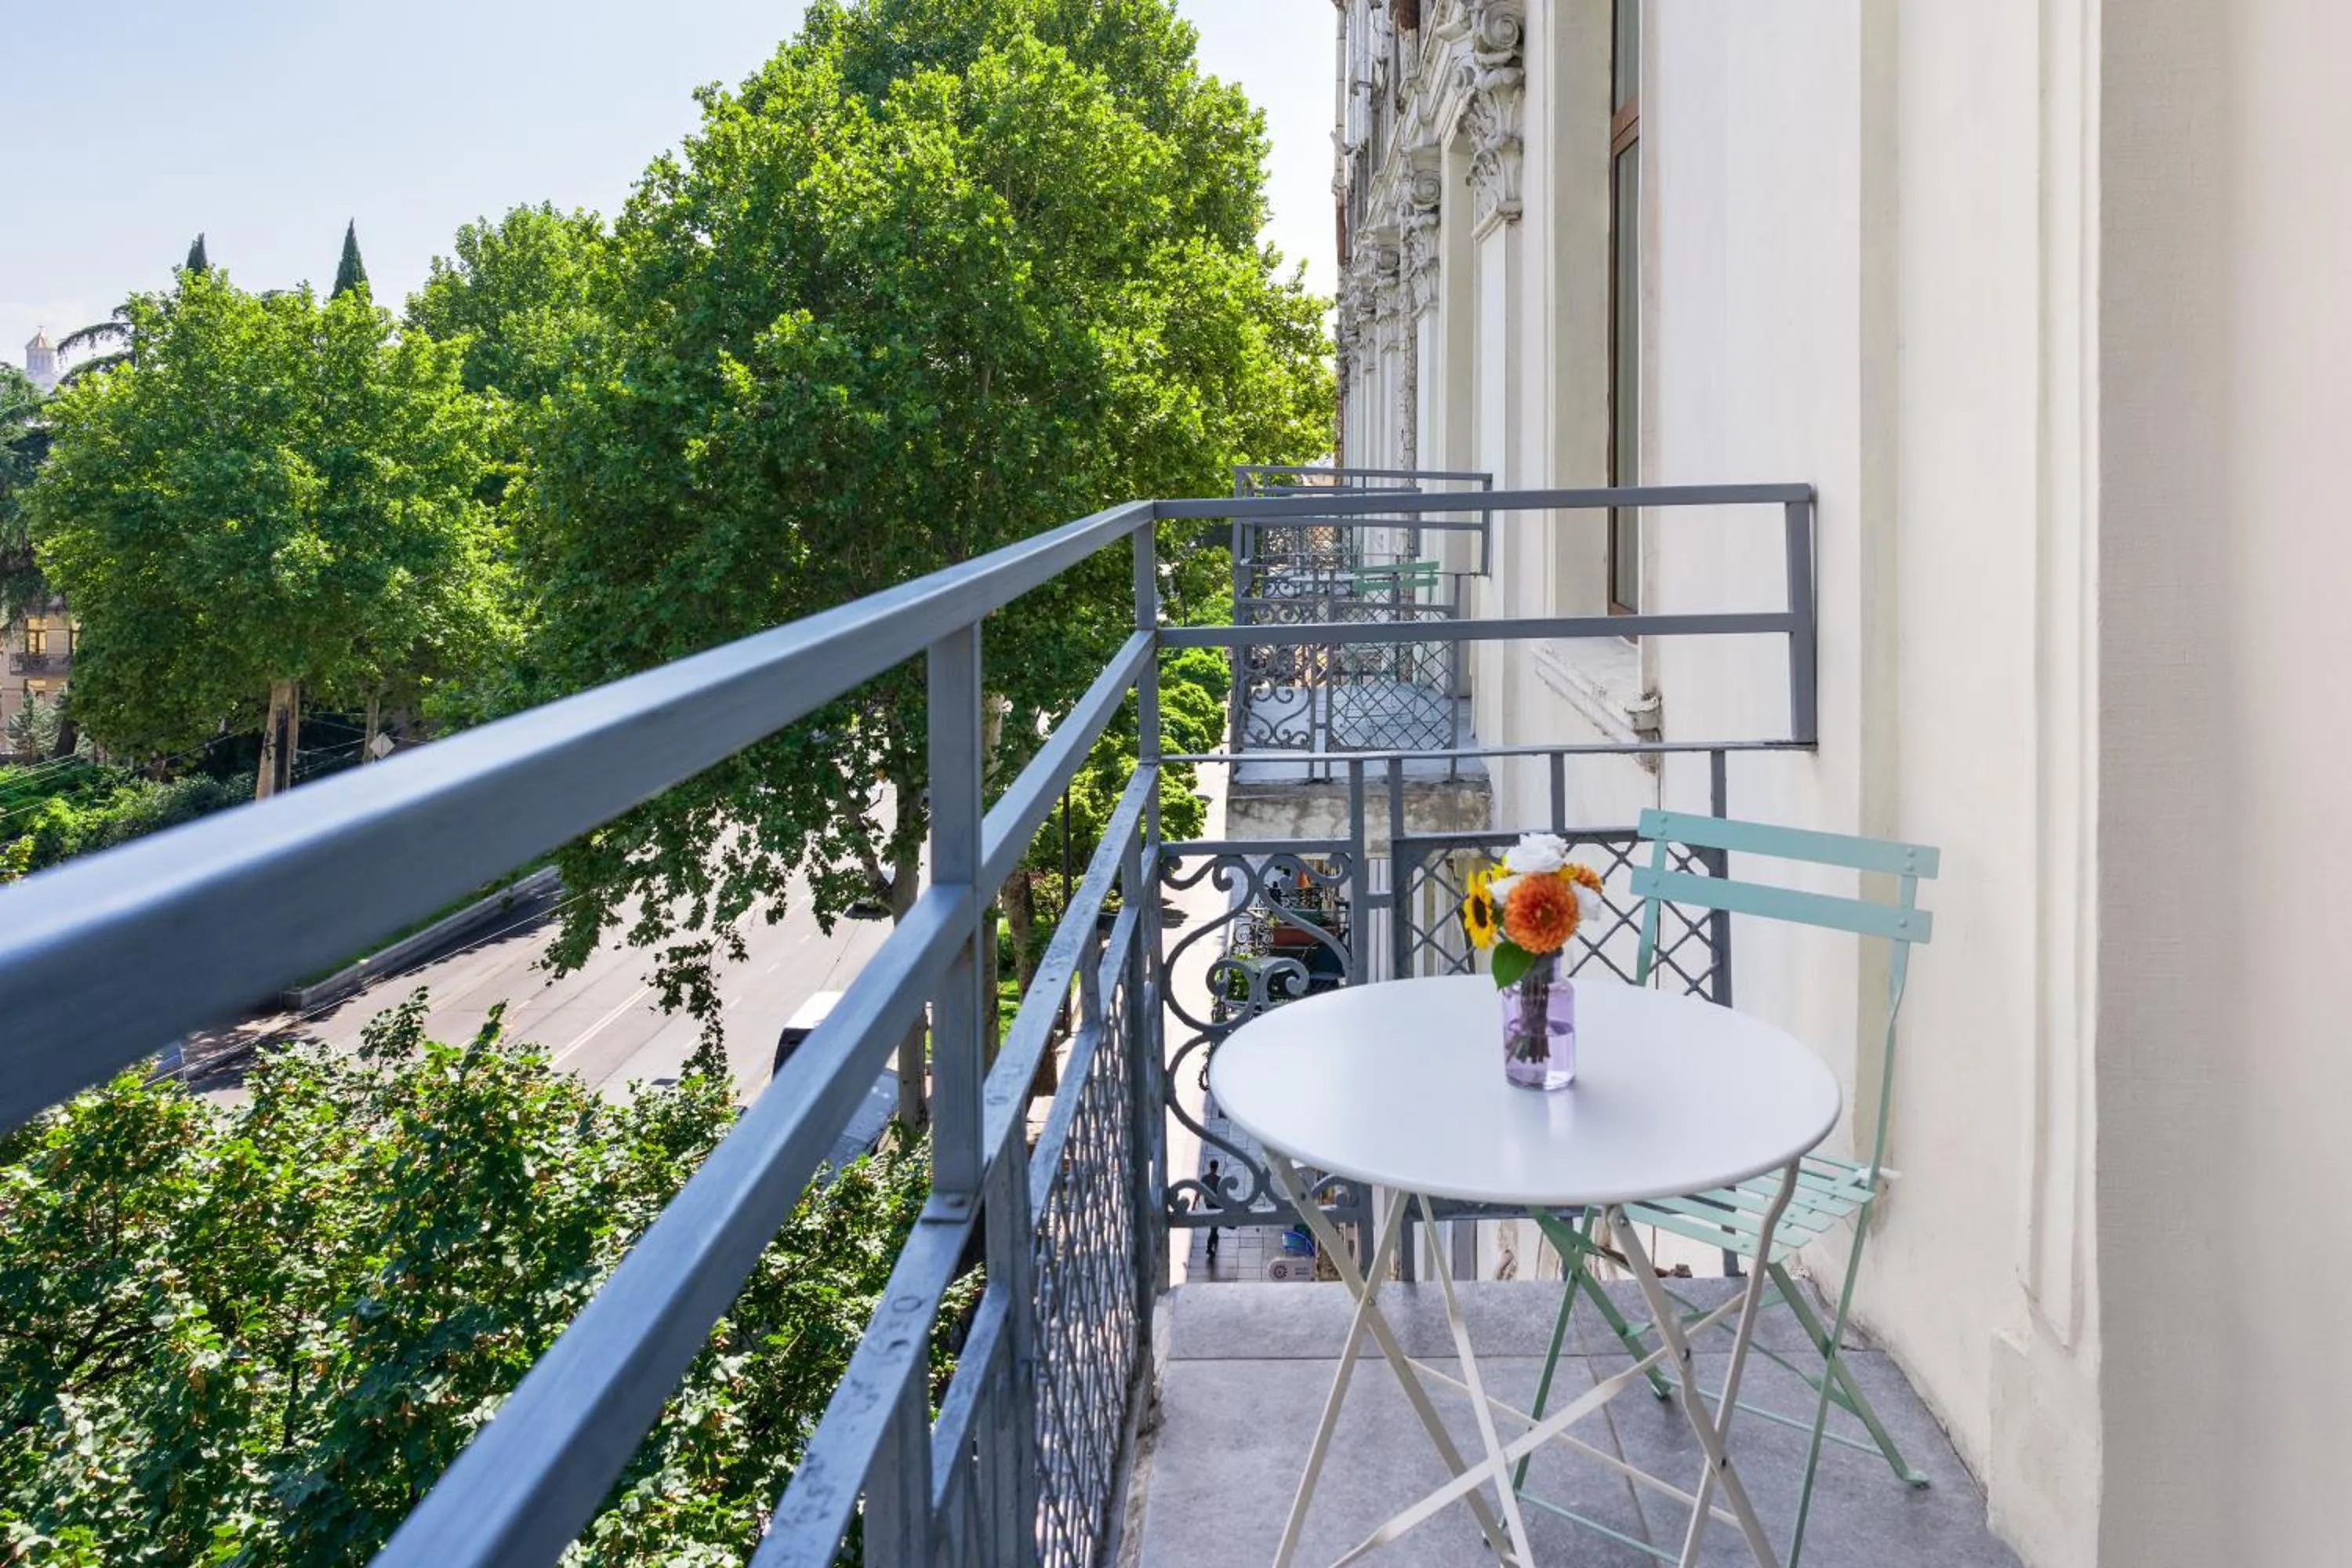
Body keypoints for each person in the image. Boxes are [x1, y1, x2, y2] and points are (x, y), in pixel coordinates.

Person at [1203, 1159, 1224, 1271]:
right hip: (1216, 1204)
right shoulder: (1218, 1180)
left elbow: (1199, 1191)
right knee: (1214, 1227)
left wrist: (1194, 1204)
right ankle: (1209, 1247)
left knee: (1214, 1224)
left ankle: (1215, 1237)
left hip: (1207, 1204)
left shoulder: (1204, 1178)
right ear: (1217, 1167)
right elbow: (1221, 1194)